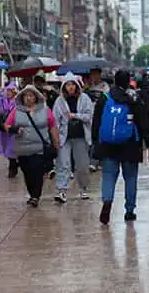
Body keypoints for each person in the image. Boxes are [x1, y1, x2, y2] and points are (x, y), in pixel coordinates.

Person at [92, 69, 149, 224]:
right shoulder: (134, 98)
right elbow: (143, 122)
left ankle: (107, 200)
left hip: (108, 144)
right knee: (130, 178)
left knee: (108, 175)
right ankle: (130, 210)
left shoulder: (104, 98)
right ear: (128, 82)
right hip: (130, 145)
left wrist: (95, 143)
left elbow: (96, 122)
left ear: (114, 81)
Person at [4, 86, 60, 206]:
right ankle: (32, 193)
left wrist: (56, 142)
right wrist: (15, 130)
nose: (28, 98)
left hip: (39, 148)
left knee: (37, 172)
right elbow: (7, 126)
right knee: (27, 172)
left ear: (36, 97)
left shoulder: (46, 110)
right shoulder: (16, 111)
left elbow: (53, 126)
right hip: (22, 149)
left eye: (31, 95)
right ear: (22, 98)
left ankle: (35, 196)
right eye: (26, 96)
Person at [52, 74, 94, 202]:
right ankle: (61, 190)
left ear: (77, 85)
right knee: (63, 164)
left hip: (81, 136)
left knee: (82, 165)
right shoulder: (59, 101)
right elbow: (55, 120)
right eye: (68, 85)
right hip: (64, 137)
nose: (70, 87)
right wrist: (56, 137)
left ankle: (83, 188)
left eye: (72, 84)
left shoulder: (85, 98)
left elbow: (89, 116)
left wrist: (76, 115)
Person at [0, 81, 20, 178]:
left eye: (10, 91)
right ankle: (15, 166)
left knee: (11, 149)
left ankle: (12, 169)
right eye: (7, 91)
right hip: (3, 129)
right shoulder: (2, 101)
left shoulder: (18, 101)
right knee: (6, 149)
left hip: (13, 129)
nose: (8, 93)